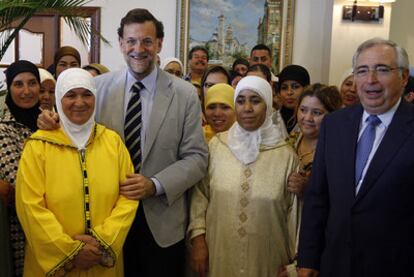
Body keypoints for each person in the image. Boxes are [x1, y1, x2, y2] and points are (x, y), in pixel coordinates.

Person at [38, 8, 208, 277]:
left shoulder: (184, 94)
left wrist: (155, 184)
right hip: (106, 221)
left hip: (161, 225)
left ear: (159, 44)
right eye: (131, 41)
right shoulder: (98, 88)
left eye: (147, 41)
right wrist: (51, 122)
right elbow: (75, 128)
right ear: (120, 43)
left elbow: (197, 158)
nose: (138, 49)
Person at [297, 38, 413, 277]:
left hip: (395, 266)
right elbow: (318, 197)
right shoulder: (335, 124)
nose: (370, 80)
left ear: (403, 78)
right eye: (362, 71)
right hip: (335, 264)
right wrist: (308, 260)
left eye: (382, 70)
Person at [16, 68, 138, 276]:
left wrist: (102, 242)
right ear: (59, 99)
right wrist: (70, 250)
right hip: (56, 265)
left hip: (101, 259)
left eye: (86, 94)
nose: (79, 103)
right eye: (70, 95)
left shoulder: (113, 142)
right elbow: (29, 206)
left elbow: (128, 197)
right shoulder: (38, 146)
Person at [188, 75, 299, 277]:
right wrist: (198, 240)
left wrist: (295, 265)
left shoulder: (286, 156)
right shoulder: (217, 146)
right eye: (240, 101)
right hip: (219, 254)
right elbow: (200, 196)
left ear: (268, 106)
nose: (247, 108)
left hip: (267, 259)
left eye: (255, 101)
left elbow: (295, 216)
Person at [0, 60, 41, 276]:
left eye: (32, 83)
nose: (26, 91)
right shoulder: (4, 129)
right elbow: (19, 181)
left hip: (60, 224)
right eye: (18, 84)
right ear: (9, 87)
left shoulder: (53, 122)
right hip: (21, 227)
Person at [286, 84, 342, 199]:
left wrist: (308, 189)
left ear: (332, 115)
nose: (307, 118)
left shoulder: (337, 151)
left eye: (316, 113)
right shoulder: (290, 141)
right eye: (303, 110)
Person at [277, 65, 311, 133]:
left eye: (295, 87)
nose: (289, 92)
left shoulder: (311, 120)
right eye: (284, 88)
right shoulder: (272, 120)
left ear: (306, 89)